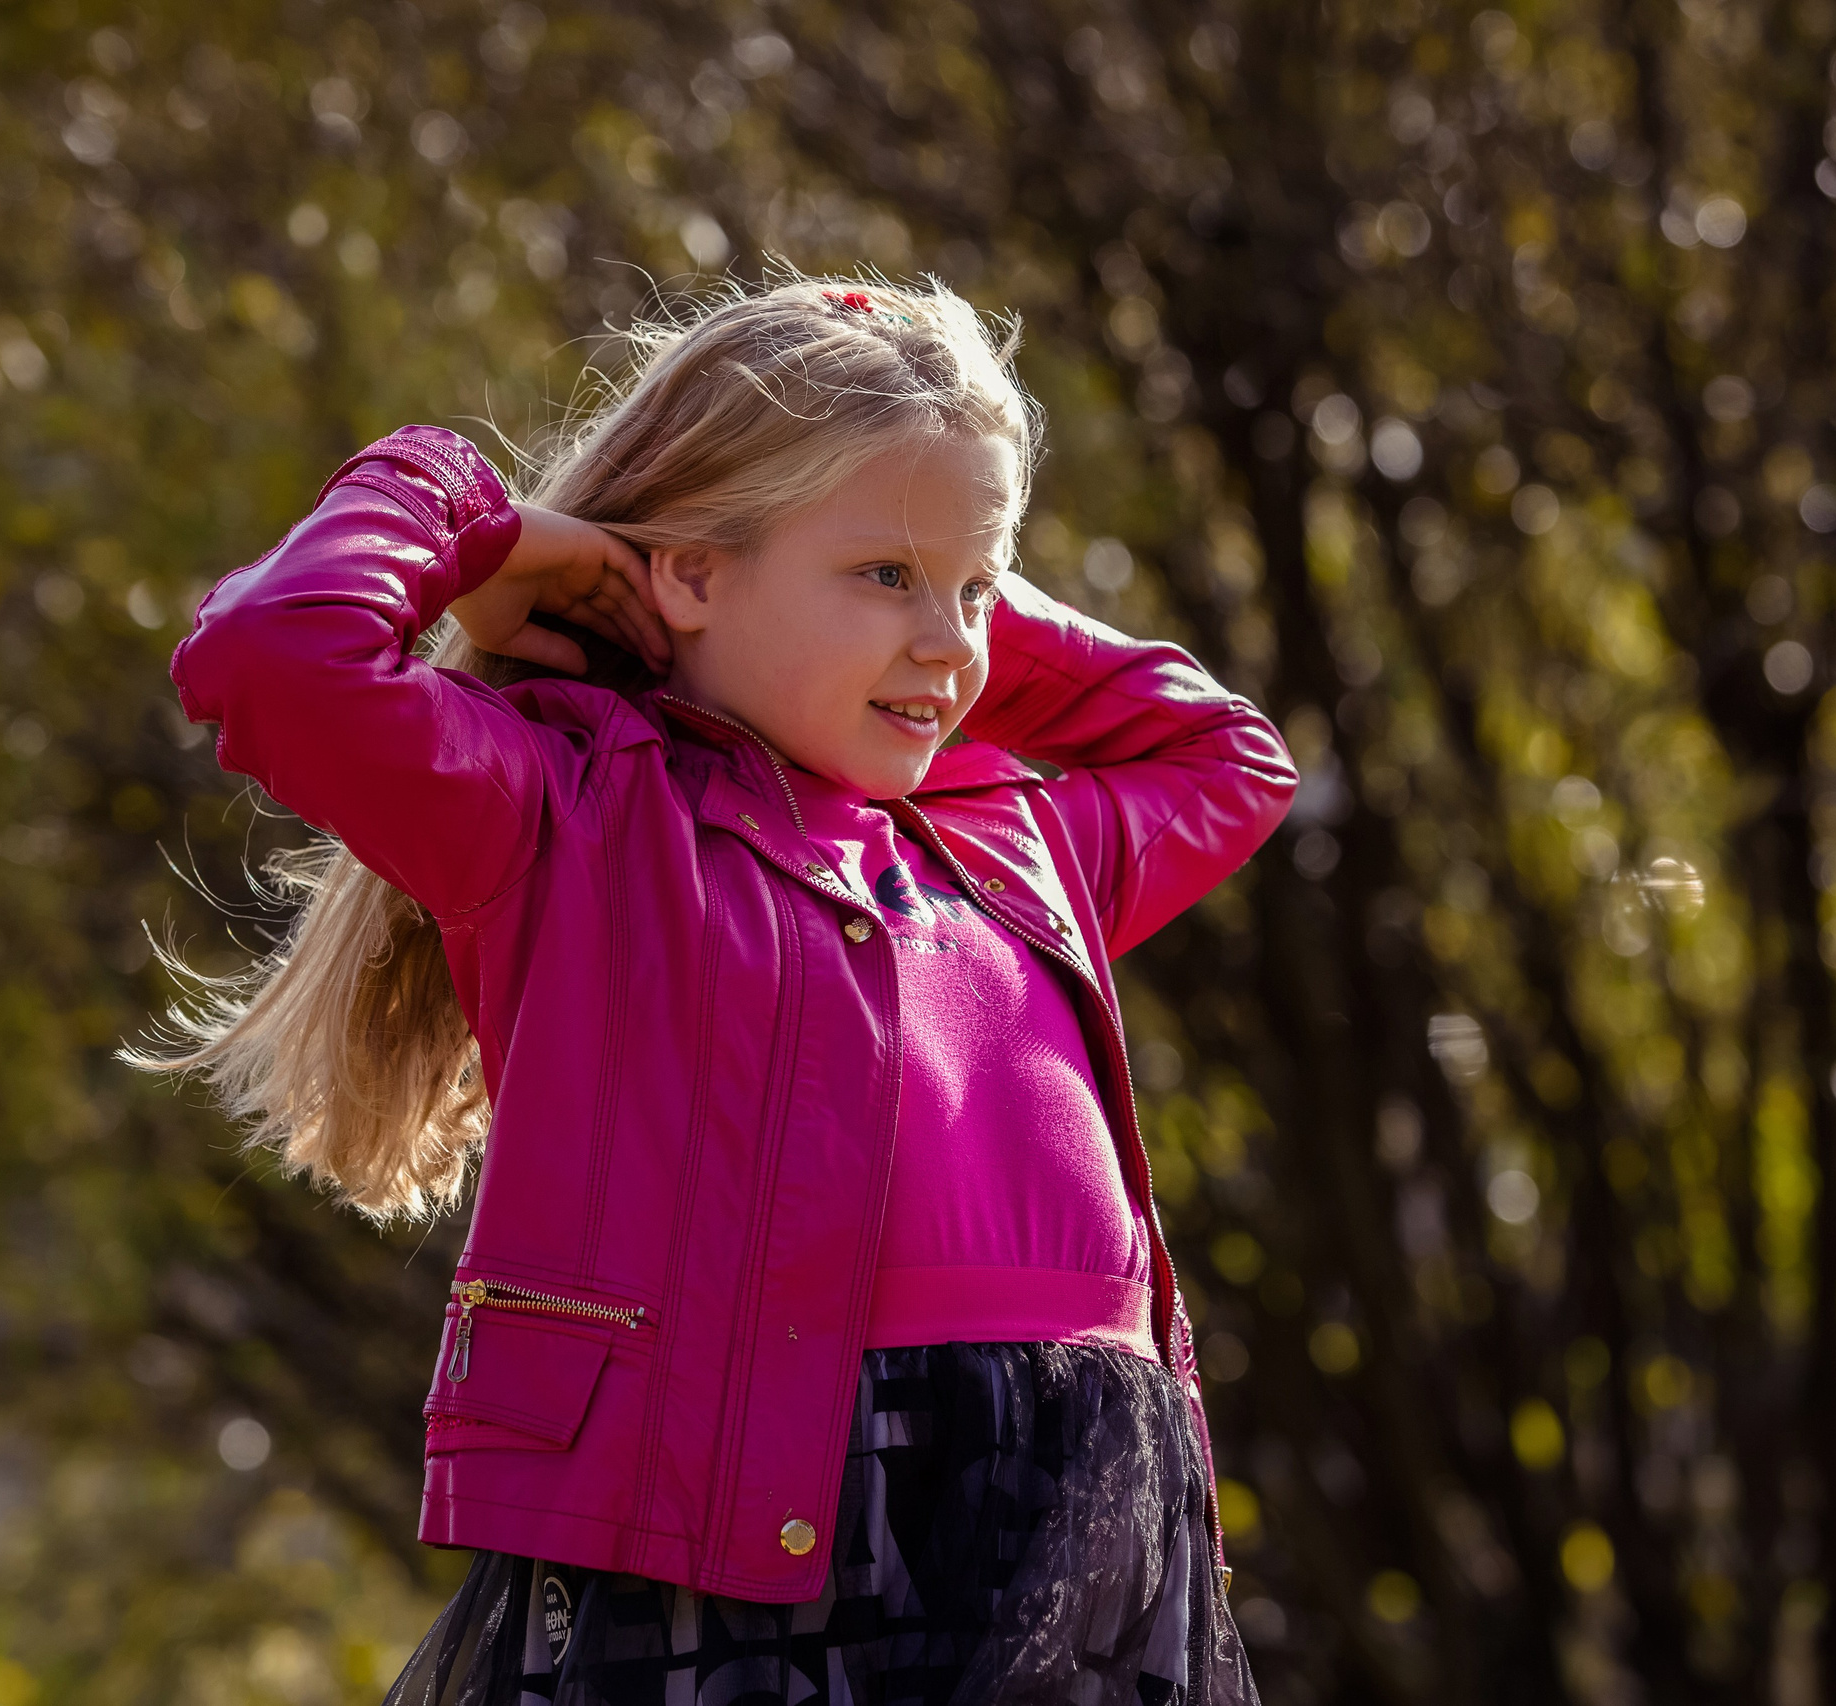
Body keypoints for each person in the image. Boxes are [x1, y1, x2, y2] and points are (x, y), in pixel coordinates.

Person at [137, 275, 1294, 1704]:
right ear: (687, 570)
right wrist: (489, 531)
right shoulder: (568, 814)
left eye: (981, 584)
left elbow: (1233, 758)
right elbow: (270, 654)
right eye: (882, 573)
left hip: (1085, 1539)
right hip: (747, 1568)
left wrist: (926, 584)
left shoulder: (1023, 846)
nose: (951, 638)